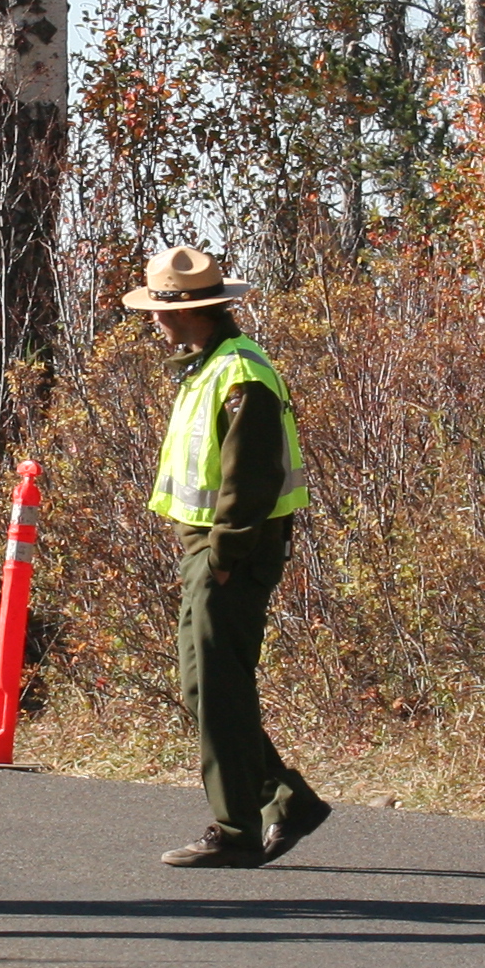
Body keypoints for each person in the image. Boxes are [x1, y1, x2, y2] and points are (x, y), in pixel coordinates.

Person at [128, 244, 329, 869]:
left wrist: (223, 554)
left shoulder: (240, 373)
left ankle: (237, 827)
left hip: (232, 549)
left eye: (160, 310)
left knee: (217, 687)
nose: (154, 321)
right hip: (211, 547)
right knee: (204, 686)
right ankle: (286, 800)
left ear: (190, 311)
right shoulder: (208, 365)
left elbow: (252, 476)